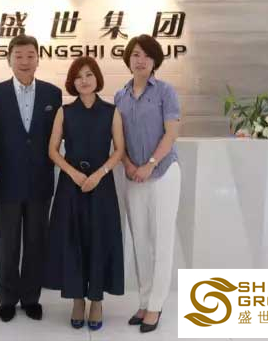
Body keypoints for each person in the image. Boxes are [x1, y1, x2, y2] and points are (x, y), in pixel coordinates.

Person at [0, 34, 62, 322]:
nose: (25, 61)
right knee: (8, 243)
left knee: (36, 242)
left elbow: (56, 137)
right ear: (9, 60)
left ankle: (30, 298)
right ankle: (6, 299)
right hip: (7, 181)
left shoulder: (53, 94)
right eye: (19, 56)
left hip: (40, 181)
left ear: (38, 59)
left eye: (30, 56)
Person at [45, 57, 125, 331]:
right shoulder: (64, 111)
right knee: (73, 240)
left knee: (99, 239)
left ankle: (97, 301)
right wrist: (74, 174)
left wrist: (99, 174)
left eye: (89, 75)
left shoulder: (111, 111)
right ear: (72, 82)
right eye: (78, 76)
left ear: (97, 78)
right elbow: (53, 150)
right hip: (71, 186)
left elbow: (119, 150)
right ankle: (77, 299)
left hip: (102, 185)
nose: (84, 80)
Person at [114, 35, 182, 334]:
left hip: (163, 173)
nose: (140, 60)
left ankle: (156, 304)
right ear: (128, 59)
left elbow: (171, 133)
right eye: (135, 54)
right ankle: (143, 301)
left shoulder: (165, 91)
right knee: (139, 240)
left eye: (146, 55)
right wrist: (129, 164)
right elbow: (118, 138)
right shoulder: (120, 96)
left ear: (155, 61)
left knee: (161, 239)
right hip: (133, 176)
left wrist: (150, 164)